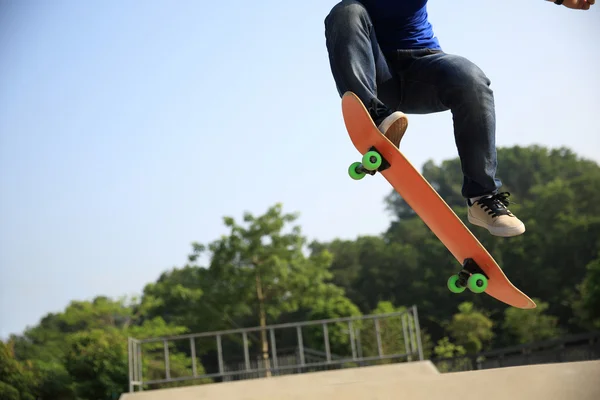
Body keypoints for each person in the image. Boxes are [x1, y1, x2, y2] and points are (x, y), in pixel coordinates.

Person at [324, 0, 595, 238]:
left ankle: (482, 197)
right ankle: (373, 115)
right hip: (375, 77)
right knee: (347, 12)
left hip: (424, 69)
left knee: (470, 79)